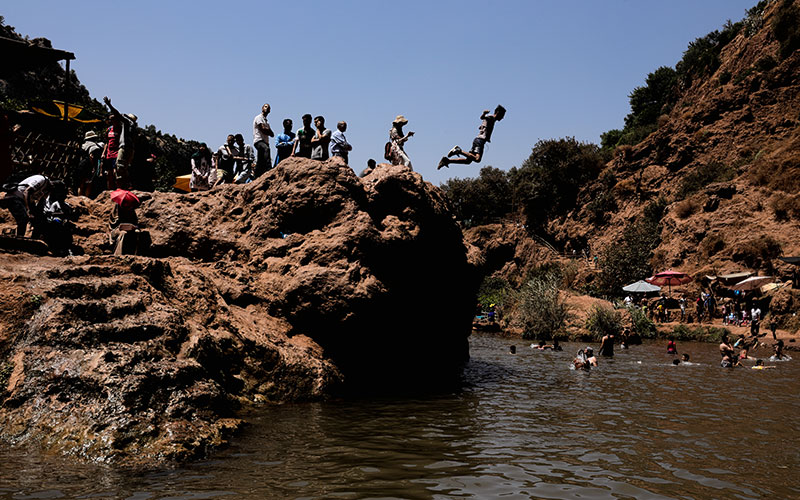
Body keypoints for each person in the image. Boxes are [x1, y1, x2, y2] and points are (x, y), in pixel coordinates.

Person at [438, 105, 506, 169]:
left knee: (468, 161)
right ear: (498, 112)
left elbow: (484, 123)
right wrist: (484, 113)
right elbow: (482, 118)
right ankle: (458, 151)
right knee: (477, 159)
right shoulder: (491, 117)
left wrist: (482, 127)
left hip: (478, 140)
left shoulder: (491, 120)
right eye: (502, 115)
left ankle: (447, 161)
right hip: (480, 141)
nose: (502, 118)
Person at [103, 97, 137, 189]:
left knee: (119, 167)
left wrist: (109, 105)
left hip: (124, 147)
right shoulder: (132, 127)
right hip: (130, 148)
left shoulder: (127, 123)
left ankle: (122, 187)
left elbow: (117, 114)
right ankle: (126, 185)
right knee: (123, 168)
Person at [39, 180, 74, 255]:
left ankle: (65, 248)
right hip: (51, 220)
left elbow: (69, 214)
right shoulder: (53, 203)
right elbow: (49, 213)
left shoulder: (65, 205)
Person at [253, 103, 274, 177]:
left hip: (265, 141)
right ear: (262, 108)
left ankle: (256, 176)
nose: (266, 108)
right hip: (259, 141)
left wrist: (268, 130)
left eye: (268, 108)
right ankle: (269, 169)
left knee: (260, 160)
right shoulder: (259, 117)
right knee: (266, 149)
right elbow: (263, 129)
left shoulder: (266, 121)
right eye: (265, 107)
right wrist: (267, 130)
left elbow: (272, 134)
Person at [79, 131, 104, 196]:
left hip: (81, 164)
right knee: (89, 183)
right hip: (89, 165)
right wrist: (93, 167)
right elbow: (91, 157)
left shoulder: (83, 146)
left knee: (81, 183)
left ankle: (79, 197)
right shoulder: (94, 147)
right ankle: (86, 198)